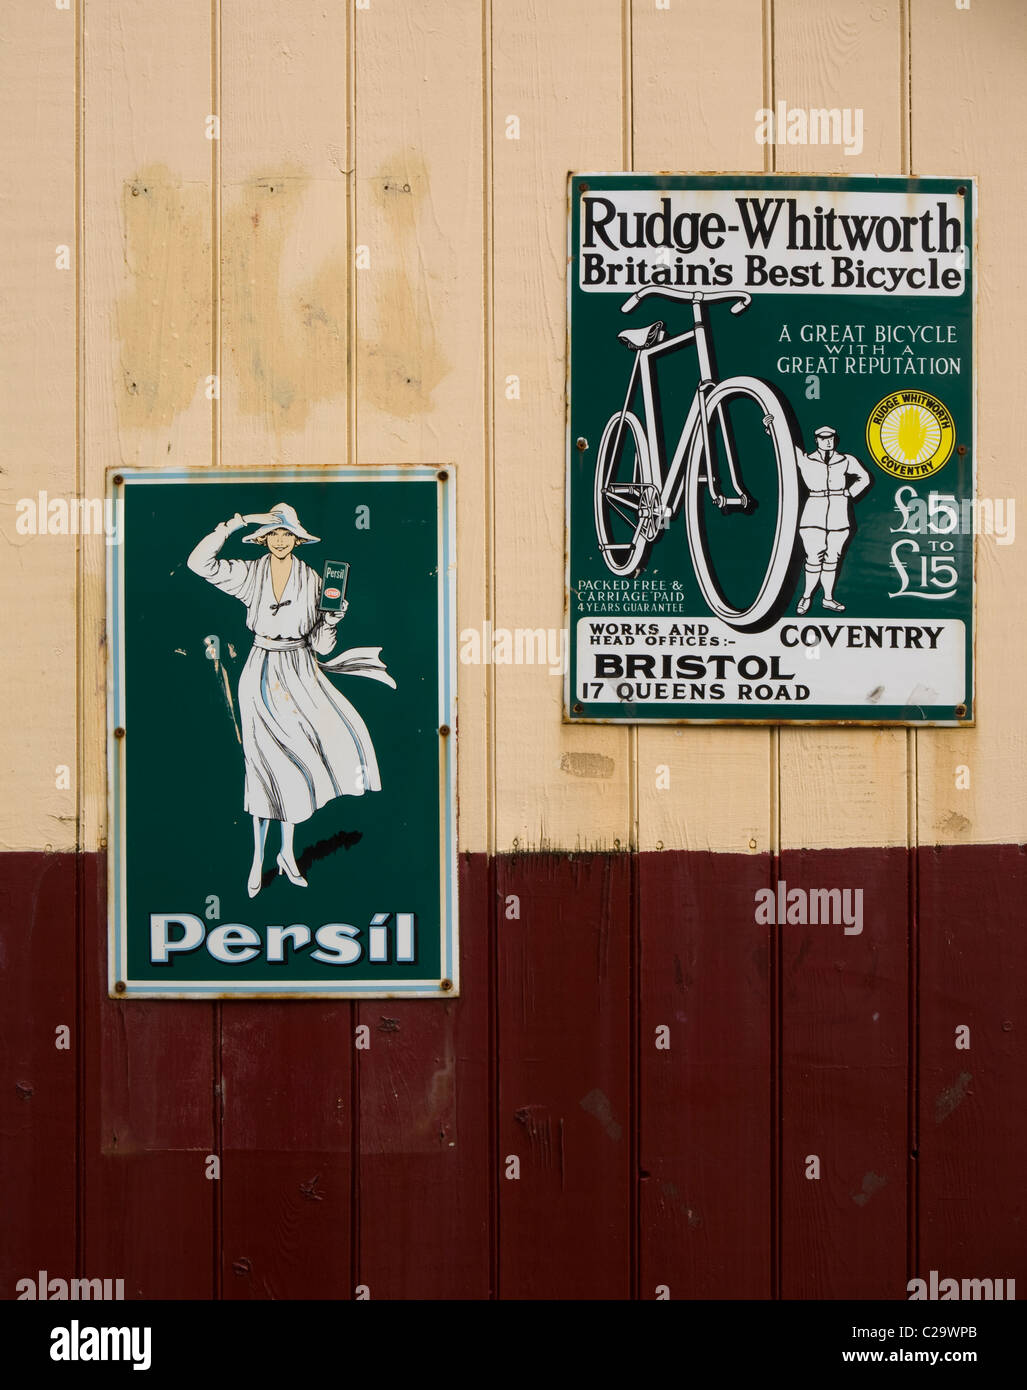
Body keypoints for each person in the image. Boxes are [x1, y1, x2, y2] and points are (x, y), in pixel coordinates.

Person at [187, 503, 395, 897]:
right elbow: (200, 563)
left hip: (300, 669)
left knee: (297, 765)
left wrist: (331, 620)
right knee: (261, 764)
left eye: (287, 534)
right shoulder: (250, 573)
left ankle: (286, 853)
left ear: (297, 539)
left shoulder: (314, 579)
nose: (281, 540)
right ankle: (256, 859)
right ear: (264, 537)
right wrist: (237, 522)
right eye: (274, 533)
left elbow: (319, 643)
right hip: (261, 668)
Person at [794, 425, 871, 614]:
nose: (827, 441)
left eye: (830, 438)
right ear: (817, 440)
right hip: (813, 513)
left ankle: (828, 598)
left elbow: (865, 478)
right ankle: (806, 597)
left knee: (832, 559)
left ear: (835, 439)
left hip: (839, 514)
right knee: (813, 558)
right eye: (823, 438)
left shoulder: (846, 460)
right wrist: (770, 425)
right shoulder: (806, 460)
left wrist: (848, 492)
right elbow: (784, 445)